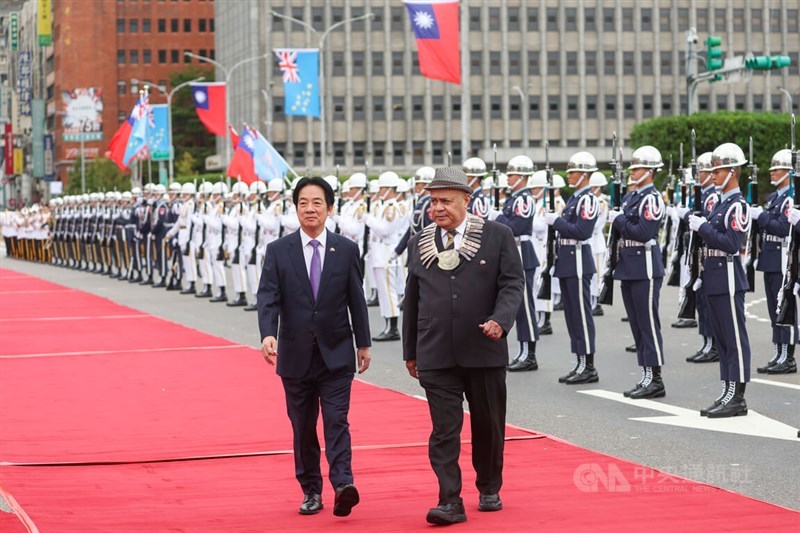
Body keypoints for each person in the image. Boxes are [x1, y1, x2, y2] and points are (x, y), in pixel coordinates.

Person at [403, 167, 524, 525]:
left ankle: (488, 486)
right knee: (444, 429)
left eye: (445, 201)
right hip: (436, 350)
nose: (437, 208)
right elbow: (413, 298)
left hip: (483, 350)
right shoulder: (418, 242)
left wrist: (500, 321)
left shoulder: (497, 236)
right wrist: (410, 350)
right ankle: (449, 500)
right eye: (433, 201)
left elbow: (512, 285)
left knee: (487, 424)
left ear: (466, 201)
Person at [257, 176, 371, 517]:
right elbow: (268, 297)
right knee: (303, 427)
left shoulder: (347, 249)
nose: (310, 208)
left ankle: (343, 484)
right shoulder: (279, 251)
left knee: (337, 420)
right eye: (303, 202)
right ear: (295, 208)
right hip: (295, 355)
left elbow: (357, 299)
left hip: (337, 353)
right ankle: (310, 489)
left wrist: (363, 343)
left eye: (317, 202)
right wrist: (267, 333)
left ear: (330, 208)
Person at [687, 143, 752, 418]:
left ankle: (737, 396)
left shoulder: (738, 206)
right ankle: (727, 390)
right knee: (722, 339)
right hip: (713, 275)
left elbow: (731, 243)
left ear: (733, 172)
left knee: (734, 338)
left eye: (718, 171)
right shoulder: (721, 204)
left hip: (727, 276)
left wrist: (703, 228)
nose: (712, 176)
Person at [607, 146, 667, 399]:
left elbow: (643, 232)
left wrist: (619, 220)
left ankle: (655, 378)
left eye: (639, 168)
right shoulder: (632, 197)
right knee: (636, 325)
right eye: (632, 168)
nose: (633, 172)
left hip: (645, 266)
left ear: (651, 172)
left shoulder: (651, 199)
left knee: (647, 324)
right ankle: (645, 374)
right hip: (628, 266)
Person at [545, 152, 600, 384]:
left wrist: (556, 222)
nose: (569, 175)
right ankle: (579, 362)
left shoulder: (587, 200)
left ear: (585, 175)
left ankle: (588, 366)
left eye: (573, 172)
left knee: (580, 314)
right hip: (568, 260)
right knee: (571, 315)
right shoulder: (575, 199)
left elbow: (582, 232)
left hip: (578, 260)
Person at [490, 155, 540, 371]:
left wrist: (498, 217)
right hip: (514, 251)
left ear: (521, 177)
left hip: (523, 251)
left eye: (511, 175)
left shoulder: (524, 199)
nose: (508, 178)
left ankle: (530, 353)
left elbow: (517, 227)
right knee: (518, 307)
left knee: (526, 306)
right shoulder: (513, 198)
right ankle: (522, 350)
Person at [753, 148, 797, 374]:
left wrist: (761, 216)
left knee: (784, 308)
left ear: (788, 172)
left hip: (782, 258)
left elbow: (782, 228)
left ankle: (788, 357)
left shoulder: (790, 199)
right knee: (774, 310)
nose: (772, 173)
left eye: (777, 169)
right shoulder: (774, 198)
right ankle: (778, 352)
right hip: (770, 257)